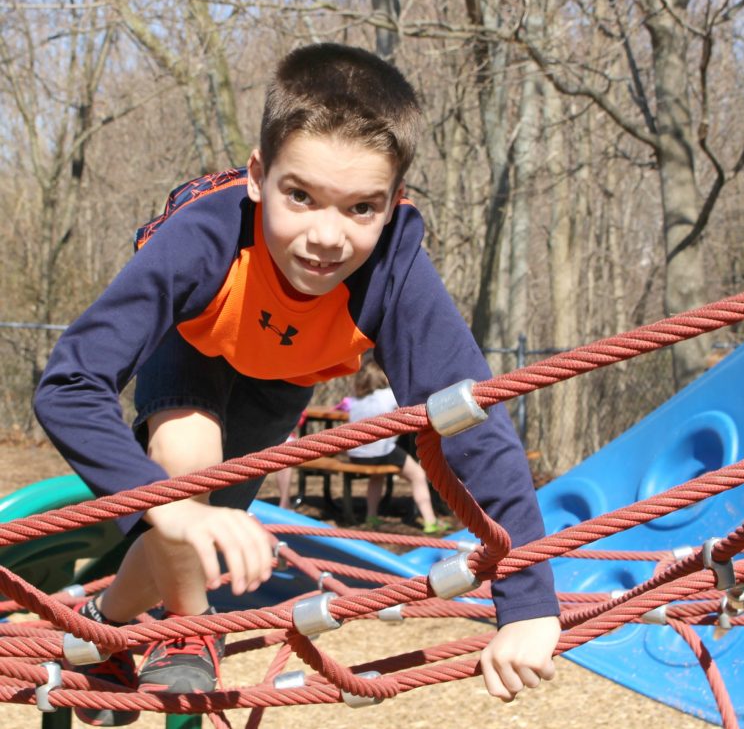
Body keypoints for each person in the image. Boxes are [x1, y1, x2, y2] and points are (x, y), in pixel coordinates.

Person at [34, 43, 560, 726]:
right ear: (258, 177)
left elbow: (469, 422)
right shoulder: (205, 236)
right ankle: (192, 629)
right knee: (185, 476)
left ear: (395, 203)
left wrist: (528, 602)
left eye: (361, 208)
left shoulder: (394, 273)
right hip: (192, 345)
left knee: (187, 535)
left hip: (280, 382)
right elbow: (70, 380)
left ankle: (100, 626)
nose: (326, 236)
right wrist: (172, 503)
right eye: (301, 196)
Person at [345, 360, 446, 532]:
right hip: (380, 452)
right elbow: (410, 407)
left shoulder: (355, 401)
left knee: (377, 476)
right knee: (418, 475)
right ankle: (430, 521)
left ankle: (371, 516)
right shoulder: (388, 395)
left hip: (357, 454)